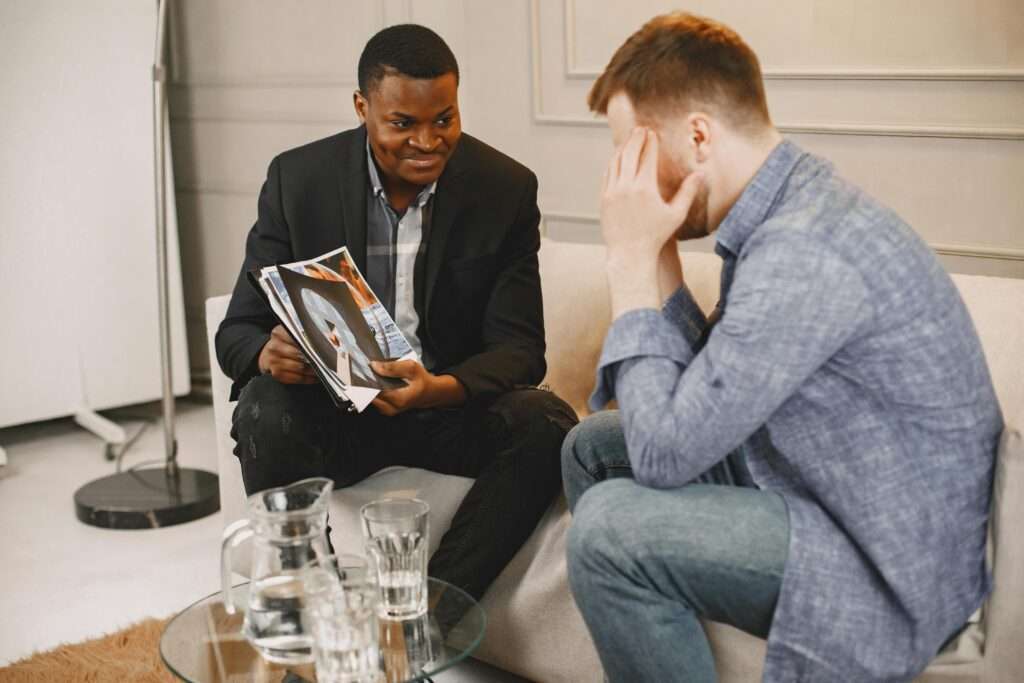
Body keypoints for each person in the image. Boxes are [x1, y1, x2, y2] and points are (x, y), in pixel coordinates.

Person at [561, 12, 1002, 682]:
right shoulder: (788, 208)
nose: (627, 181)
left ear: (699, 135)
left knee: (604, 531)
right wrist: (662, 260)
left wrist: (627, 261)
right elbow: (713, 387)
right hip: (818, 484)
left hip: (881, 564)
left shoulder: (803, 249)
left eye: (636, 155)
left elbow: (662, 453)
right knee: (587, 449)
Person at [216, 24, 577, 602]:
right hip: (339, 417)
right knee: (262, 406)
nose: (428, 141)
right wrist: (265, 352)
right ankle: (317, 606)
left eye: (444, 119)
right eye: (403, 124)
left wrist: (434, 388)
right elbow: (235, 331)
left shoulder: (504, 189)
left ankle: (428, 620)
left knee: (548, 422)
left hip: (446, 410)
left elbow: (520, 351)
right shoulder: (298, 181)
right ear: (363, 107)